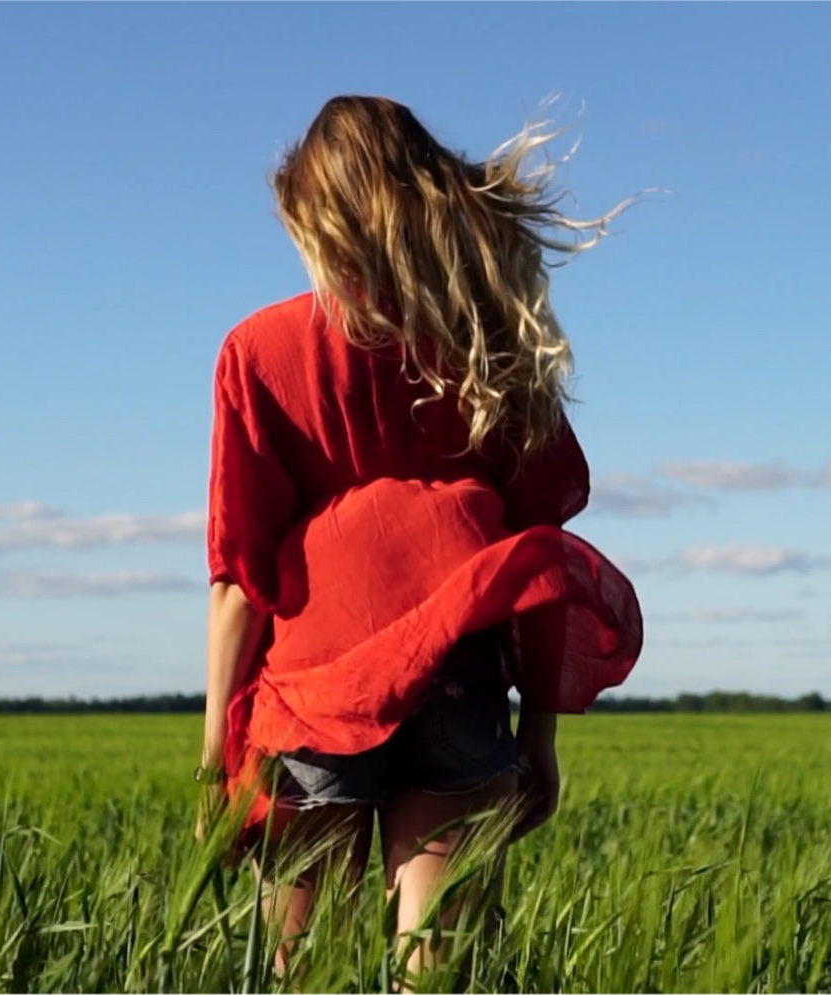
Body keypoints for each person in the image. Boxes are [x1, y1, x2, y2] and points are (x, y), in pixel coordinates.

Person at [194, 95, 644, 986]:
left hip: (318, 677)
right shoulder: (490, 341)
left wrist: (217, 751)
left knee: (299, 968)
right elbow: (535, 557)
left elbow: (239, 574)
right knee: (437, 968)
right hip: (461, 673)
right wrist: (539, 738)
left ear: (314, 214)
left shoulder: (259, 347)